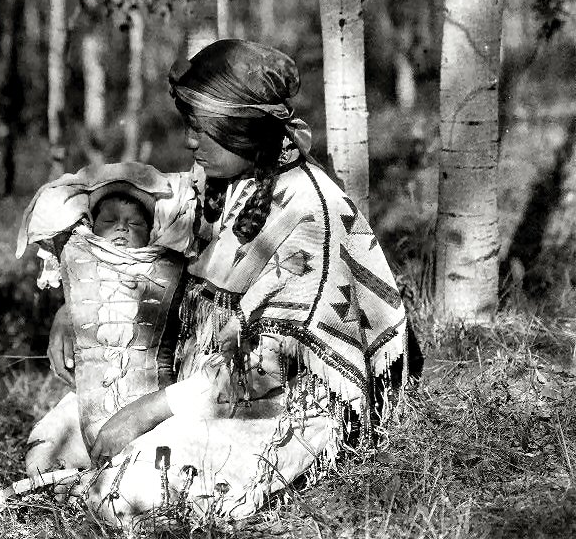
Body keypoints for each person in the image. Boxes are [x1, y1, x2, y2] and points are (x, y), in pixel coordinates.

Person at [39, 40, 416, 528]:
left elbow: (273, 370)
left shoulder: (310, 216)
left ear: (240, 131)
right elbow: (100, 200)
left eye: (202, 131)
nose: (190, 143)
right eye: (190, 128)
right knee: (52, 446)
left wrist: (147, 411)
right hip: (201, 388)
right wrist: (73, 308)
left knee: (126, 490)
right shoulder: (221, 187)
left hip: (282, 410)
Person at [12, 164, 197, 480]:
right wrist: (64, 312)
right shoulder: (81, 255)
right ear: (92, 229)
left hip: (154, 410)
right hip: (89, 405)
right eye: (110, 221)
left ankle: (98, 485)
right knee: (41, 453)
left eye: (134, 223)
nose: (122, 228)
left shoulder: (167, 263)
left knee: (155, 470)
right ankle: (84, 481)